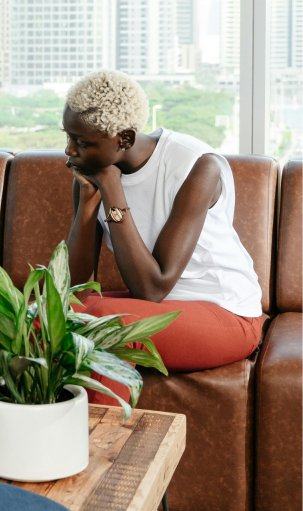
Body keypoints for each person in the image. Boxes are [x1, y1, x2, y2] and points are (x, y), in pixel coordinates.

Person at [63, 70, 263, 405]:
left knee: (109, 324)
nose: (69, 151)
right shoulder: (90, 170)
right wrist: (86, 206)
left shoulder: (197, 166)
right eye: (68, 137)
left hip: (226, 312)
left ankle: (102, 452)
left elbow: (152, 288)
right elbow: (77, 283)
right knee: (40, 315)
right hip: (160, 307)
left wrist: (113, 190)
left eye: (81, 142)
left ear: (124, 138)